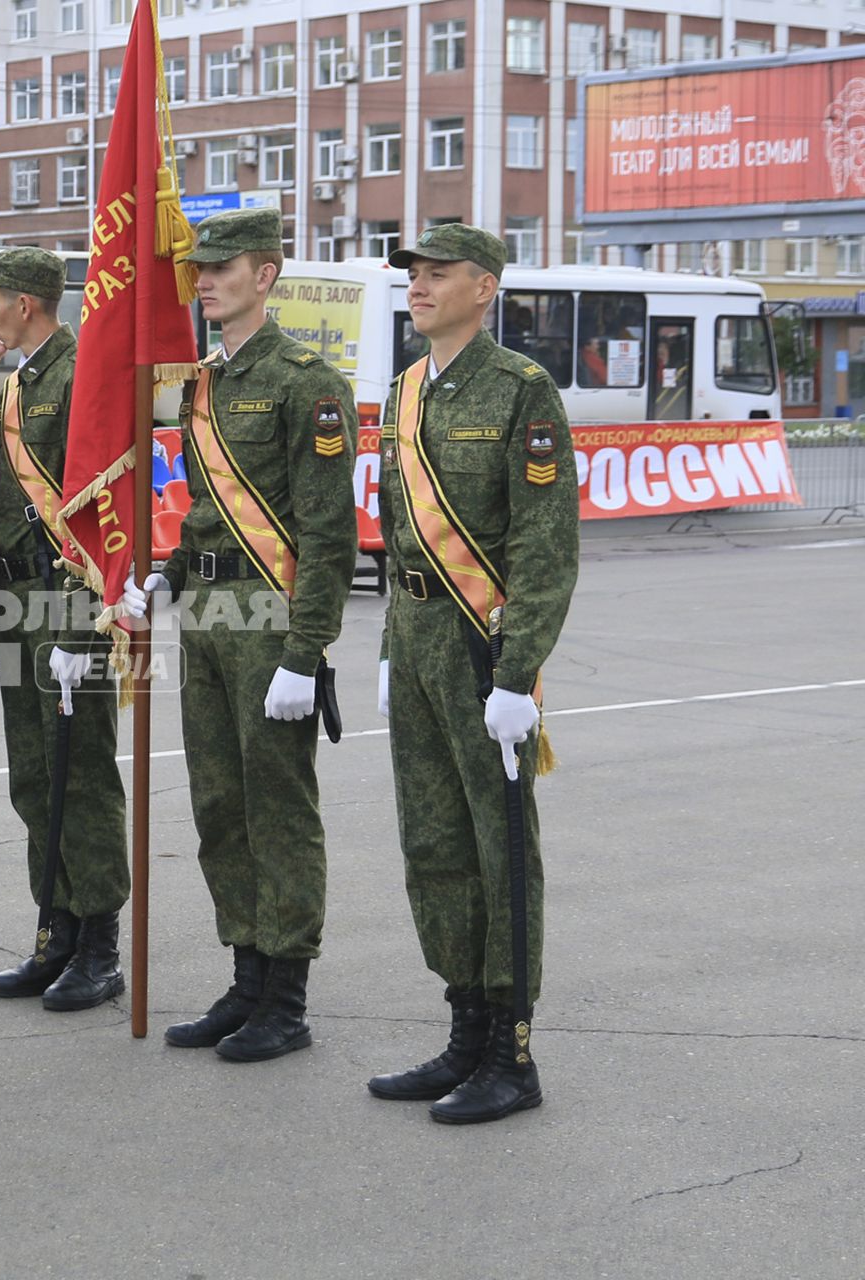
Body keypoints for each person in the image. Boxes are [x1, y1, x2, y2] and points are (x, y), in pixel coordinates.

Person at [121, 208, 358, 1061]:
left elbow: (329, 533)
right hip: (211, 619)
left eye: (222, 269)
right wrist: (167, 576)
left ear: (266, 274)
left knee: (277, 808)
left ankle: (285, 998)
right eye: (200, 270)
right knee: (220, 805)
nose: (205, 282)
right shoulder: (203, 383)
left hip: (269, 620)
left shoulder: (306, 382)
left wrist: (307, 650)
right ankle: (246, 976)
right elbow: (207, 517)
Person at [366, 223, 578, 1124]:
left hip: (479, 645)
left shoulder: (522, 391)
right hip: (413, 636)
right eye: (412, 275)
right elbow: (400, 536)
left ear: (483, 288)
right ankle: (463, 1031)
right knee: (434, 844)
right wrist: (385, 651)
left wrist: (515, 673)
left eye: (437, 274)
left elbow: (543, 548)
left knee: (498, 851)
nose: (418, 286)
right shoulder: (406, 388)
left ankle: (512, 1053)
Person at [0, 247, 129, 1013]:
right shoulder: (19, 383)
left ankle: (99, 945)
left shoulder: (80, 377)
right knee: (36, 775)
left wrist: (82, 630)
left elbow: (101, 517)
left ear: (26, 304)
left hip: (65, 605)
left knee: (83, 775)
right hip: (17, 604)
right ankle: (55, 929)